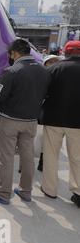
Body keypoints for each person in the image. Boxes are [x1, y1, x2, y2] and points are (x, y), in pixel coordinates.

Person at [0, 39, 51, 204]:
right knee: (27, 157)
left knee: (6, 157)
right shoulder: (44, 71)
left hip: (10, 121)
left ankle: (4, 193)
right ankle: (26, 191)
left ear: (14, 53)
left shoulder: (11, 71)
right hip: (31, 121)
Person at [40, 41, 80, 208]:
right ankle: (78, 192)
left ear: (66, 52)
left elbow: (43, 92)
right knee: (77, 158)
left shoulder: (53, 69)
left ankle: (50, 189)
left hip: (53, 118)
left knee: (51, 155)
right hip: (78, 121)